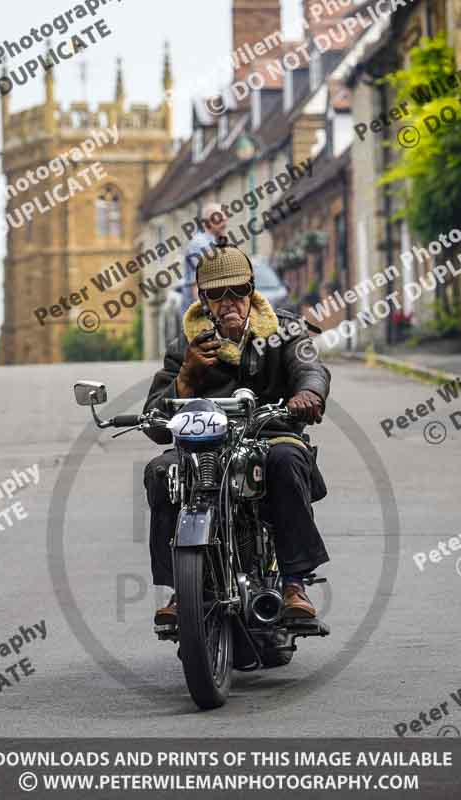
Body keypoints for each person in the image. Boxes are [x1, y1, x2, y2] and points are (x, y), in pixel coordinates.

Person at [143, 244, 331, 626]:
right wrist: (186, 378)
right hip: (204, 449)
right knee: (161, 473)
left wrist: (308, 393)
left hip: (269, 436)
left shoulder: (284, 331)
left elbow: (310, 366)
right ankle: (182, 591)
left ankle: (295, 584)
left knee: (286, 459)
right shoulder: (185, 347)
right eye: (217, 293)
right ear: (202, 297)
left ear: (251, 289)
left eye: (238, 291)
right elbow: (156, 423)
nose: (229, 302)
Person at [181, 202, 227, 316]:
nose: (225, 221)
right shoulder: (200, 244)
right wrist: (207, 316)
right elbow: (198, 284)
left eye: (224, 217)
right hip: (201, 314)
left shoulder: (215, 242)